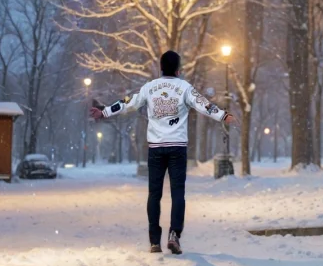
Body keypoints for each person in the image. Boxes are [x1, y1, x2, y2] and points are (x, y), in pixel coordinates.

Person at [90, 50, 235, 254]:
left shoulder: (150, 87)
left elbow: (127, 103)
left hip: (156, 149)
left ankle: (154, 241)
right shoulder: (184, 87)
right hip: (177, 147)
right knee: (178, 194)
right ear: (178, 69)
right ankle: (174, 234)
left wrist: (104, 111)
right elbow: (204, 104)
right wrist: (223, 115)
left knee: (154, 194)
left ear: (161, 68)